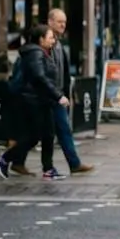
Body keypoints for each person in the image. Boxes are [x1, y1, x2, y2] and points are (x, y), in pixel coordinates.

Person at [0, 24, 68, 180]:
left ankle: (48, 169)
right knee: (34, 136)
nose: (53, 41)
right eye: (50, 38)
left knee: (48, 135)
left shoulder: (41, 52)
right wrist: (58, 96)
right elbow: (39, 77)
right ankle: (5, 158)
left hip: (43, 100)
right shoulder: (35, 53)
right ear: (41, 39)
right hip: (34, 100)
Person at [46, 9, 94, 175]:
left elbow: (64, 73)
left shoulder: (59, 44)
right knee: (41, 133)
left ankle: (72, 164)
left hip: (57, 95)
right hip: (49, 95)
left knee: (62, 130)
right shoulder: (46, 43)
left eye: (64, 22)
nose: (63, 25)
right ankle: (12, 159)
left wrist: (67, 93)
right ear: (50, 22)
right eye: (59, 22)